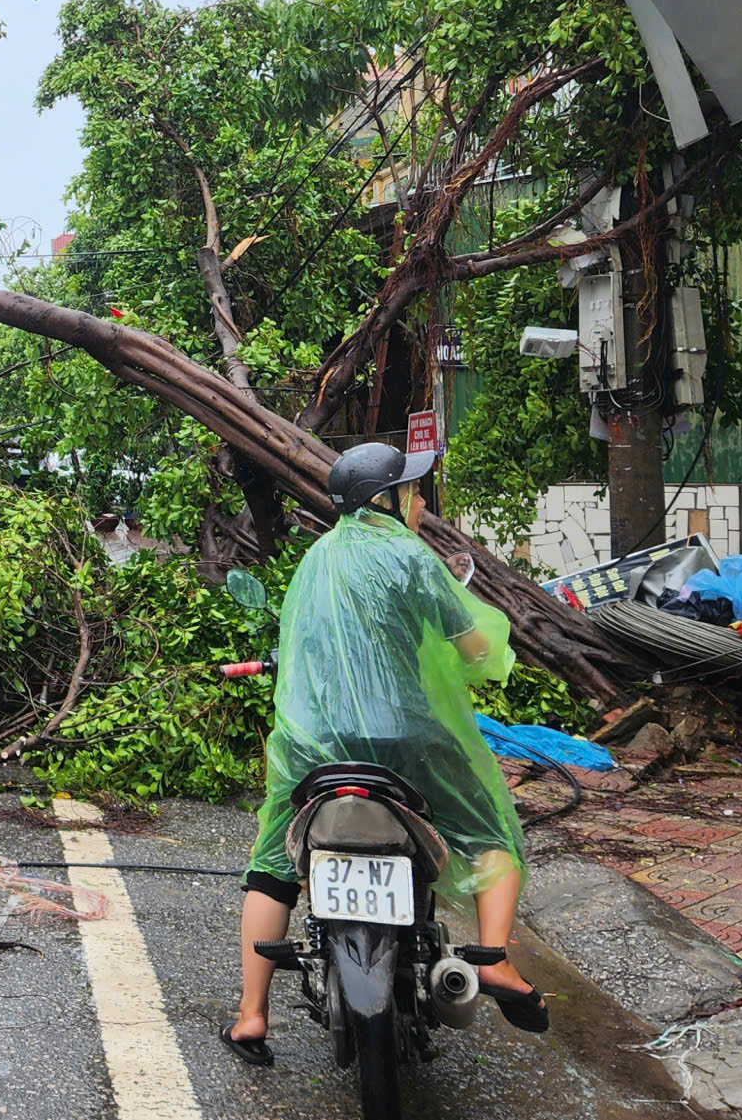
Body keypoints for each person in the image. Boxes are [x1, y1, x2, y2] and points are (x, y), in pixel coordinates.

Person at [221, 442, 544, 1069]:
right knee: (489, 829)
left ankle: (251, 1014)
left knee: (272, 863)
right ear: (387, 499)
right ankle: (498, 959)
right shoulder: (409, 556)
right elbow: (477, 648)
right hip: (407, 742)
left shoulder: (313, 562)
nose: (421, 501)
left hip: (312, 747)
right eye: (414, 490)